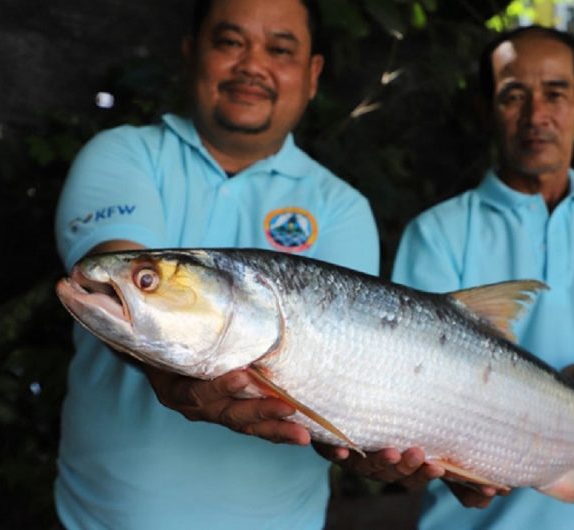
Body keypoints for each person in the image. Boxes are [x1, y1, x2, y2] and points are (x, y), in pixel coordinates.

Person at [53, 0, 379, 528]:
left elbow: (339, 381)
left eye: (279, 48)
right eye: (230, 42)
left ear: (313, 74)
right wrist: (170, 369)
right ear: (191, 53)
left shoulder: (344, 208)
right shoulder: (123, 154)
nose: (253, 65)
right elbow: (106, 270)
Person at [381, 25, 574, 529]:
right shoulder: (437, 231)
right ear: (486, 110)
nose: (537, 117)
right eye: (513, 96)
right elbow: (410, 394)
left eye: (555, 94)